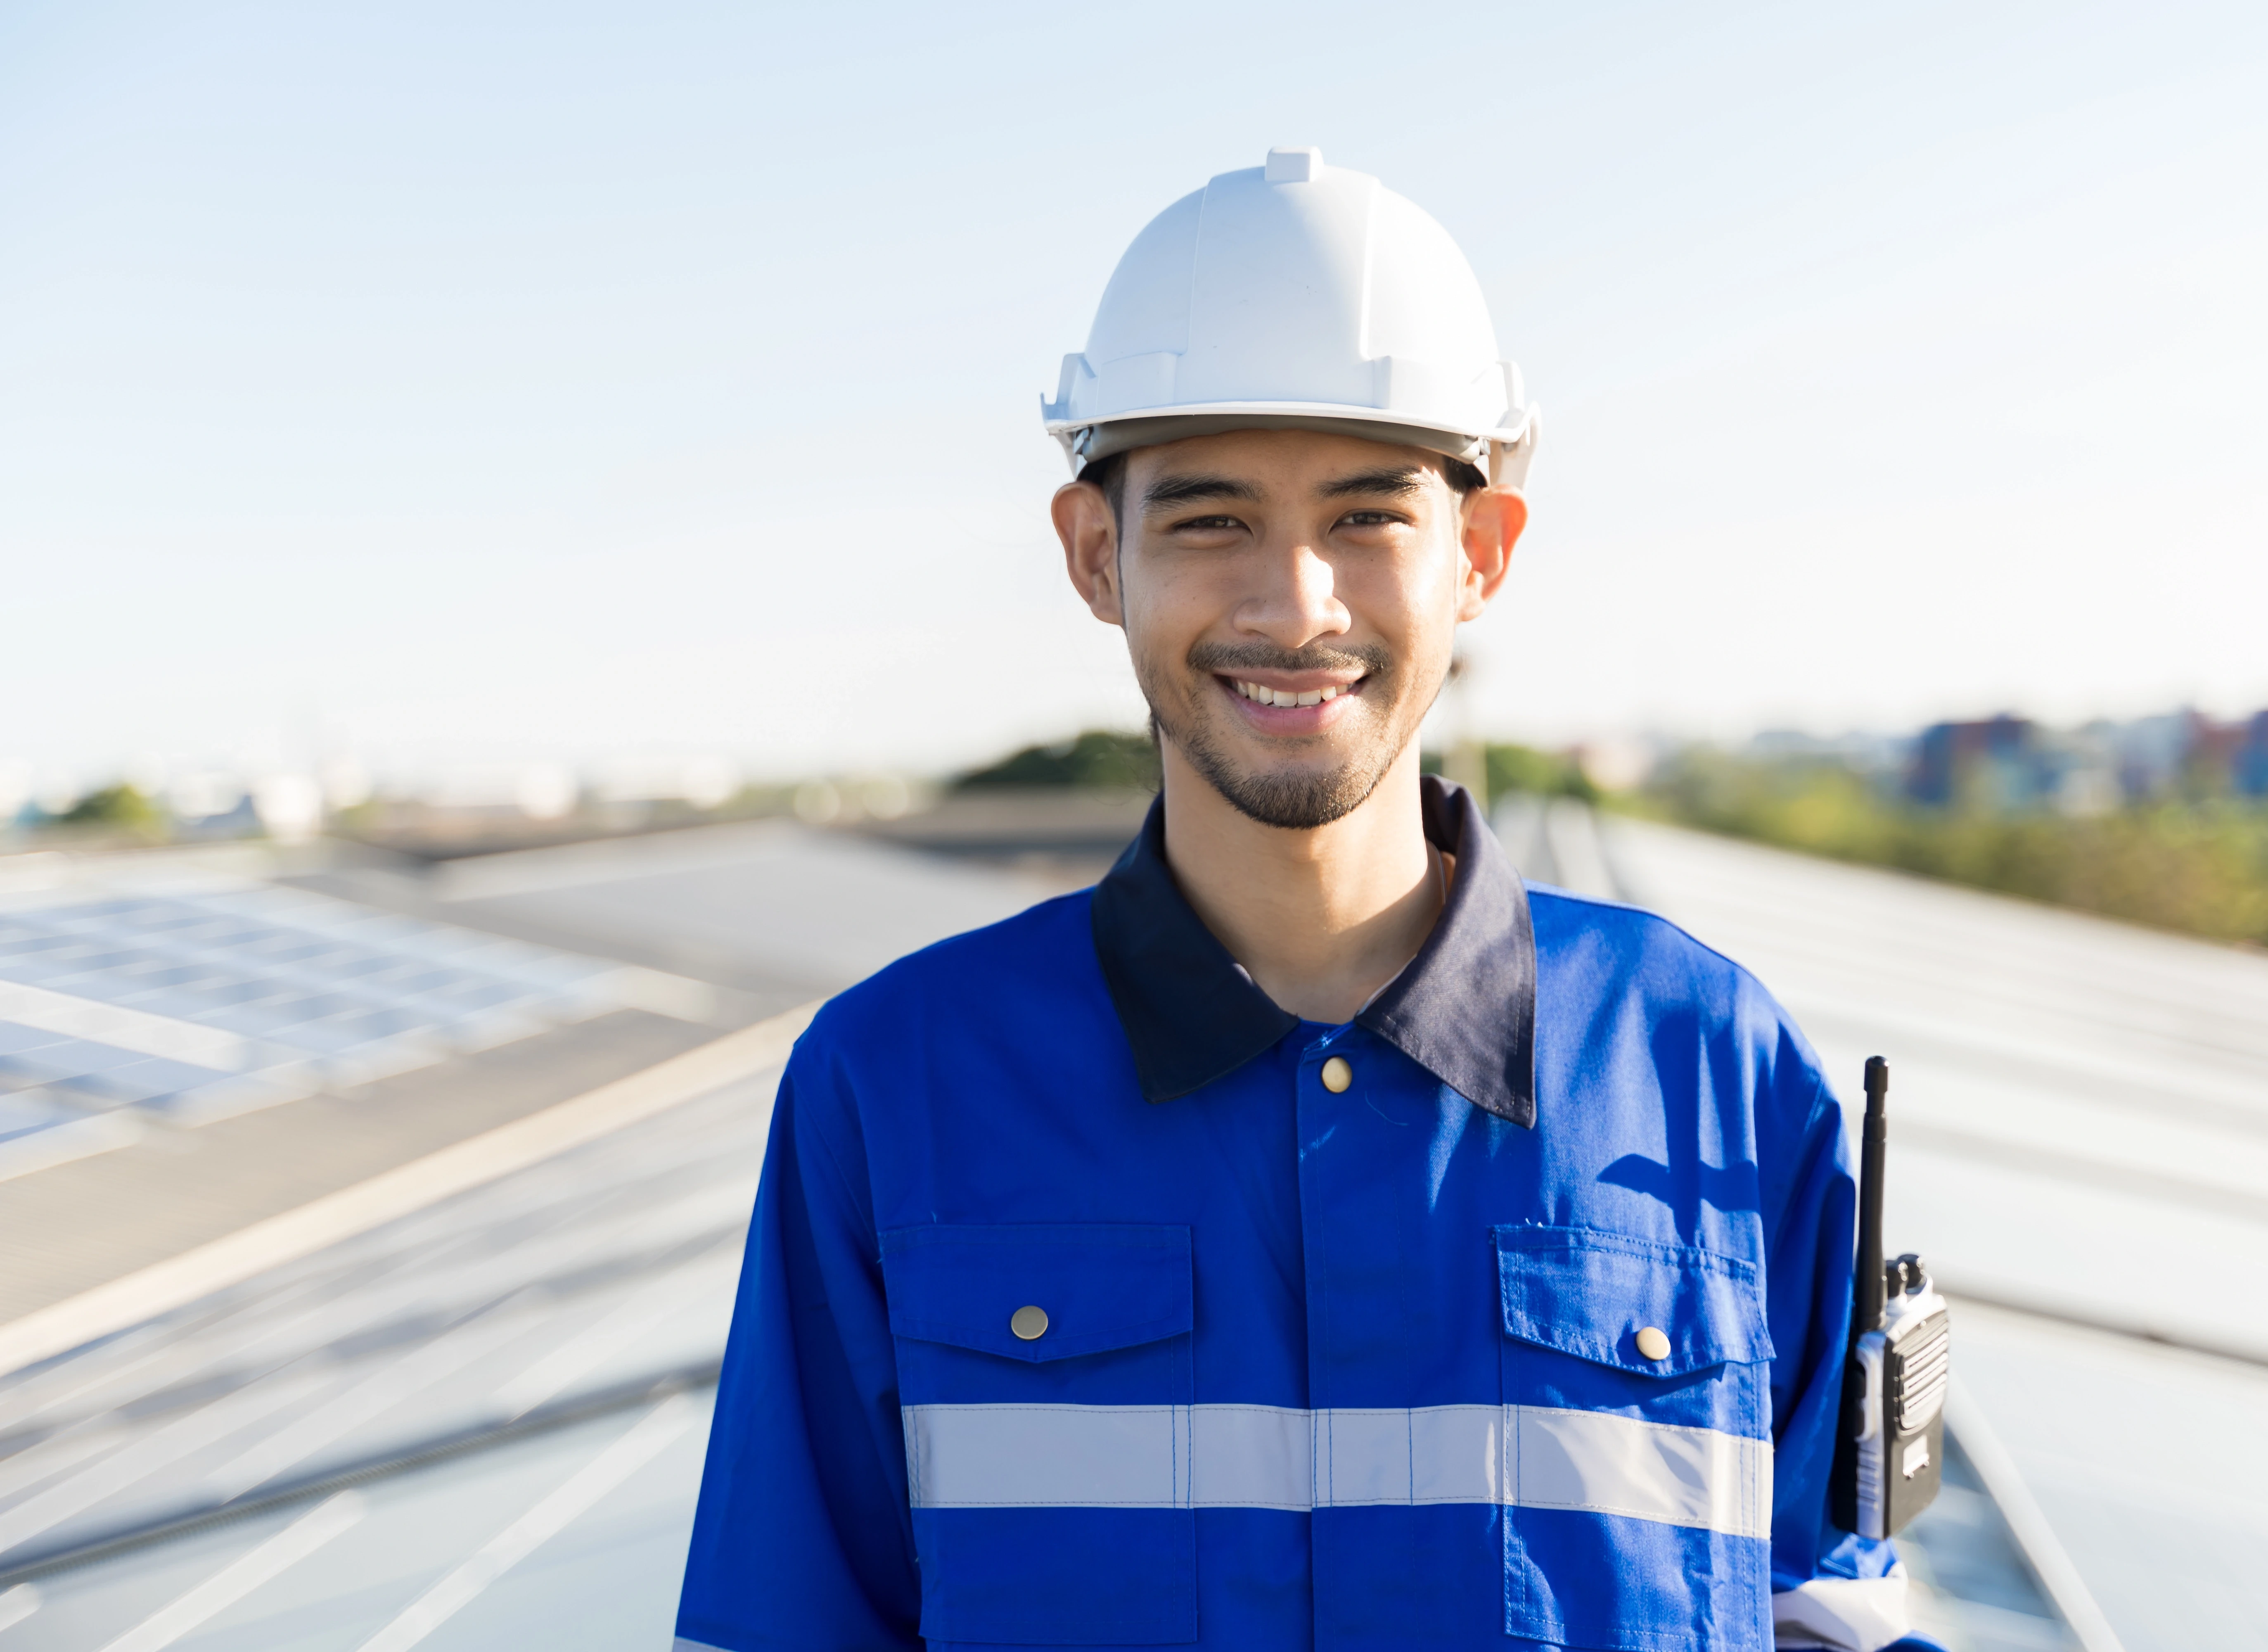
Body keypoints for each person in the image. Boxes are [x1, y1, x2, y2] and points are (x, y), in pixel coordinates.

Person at [675, 148, 1936, 1652]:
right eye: (1210, 519)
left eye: (1365, 517)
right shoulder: (894, 1088)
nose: (1295, 605)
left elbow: (1828, 1618)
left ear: (1479, 555)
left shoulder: (1710, 1064)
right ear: (1097, 556)